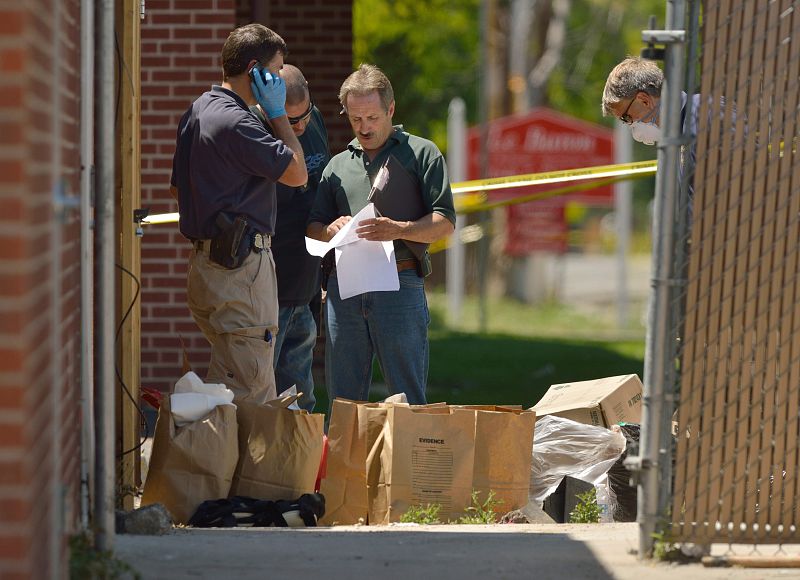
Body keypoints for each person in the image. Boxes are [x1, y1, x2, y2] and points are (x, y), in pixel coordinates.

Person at [169, 24, 307, 404]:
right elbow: (297, 173)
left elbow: (177, 189)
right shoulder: (238, 122)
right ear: (254, 72)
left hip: (208, 268)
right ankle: (238, 467)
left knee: (229, 386)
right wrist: (279, 115)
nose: (280, 78)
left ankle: (214, 463)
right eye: (276, 71)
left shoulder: (197, 111)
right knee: (250, 394)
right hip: (240, 272)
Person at [306, 63, 456, 407]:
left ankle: (410, 462)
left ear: (390, 109)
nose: (364, 127)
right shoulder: (337, 165)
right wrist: (329, 229)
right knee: (343, 401)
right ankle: (347, 463)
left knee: (408, 398)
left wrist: (399, 230)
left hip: (400, 286)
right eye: (356, 119)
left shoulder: (422, 153)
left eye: (372, 117)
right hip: (345, 289)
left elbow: (445, 221)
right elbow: (312, 228)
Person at [250, 64, 331, 412]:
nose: (298, 127)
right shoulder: (257, 133)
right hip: (271, 289)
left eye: (304, 116)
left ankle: (300, 467)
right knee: (263, 397)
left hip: (307, 285)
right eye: (289, 119)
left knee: (301, 399)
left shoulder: (316, 123)